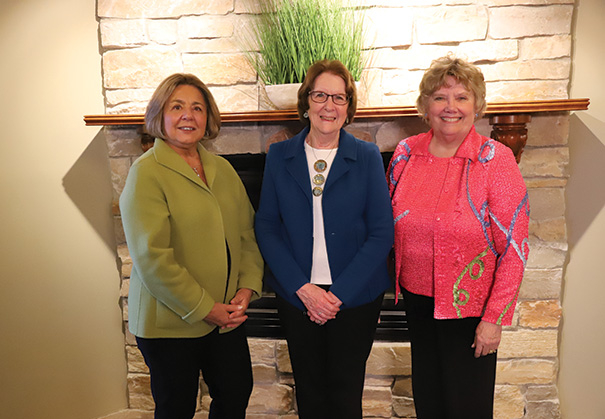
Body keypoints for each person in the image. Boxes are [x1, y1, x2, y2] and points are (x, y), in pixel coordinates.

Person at [386, 56, 530, 418]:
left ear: (477, 106)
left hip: (471, 313)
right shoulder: (405, 155)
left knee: (466, 407)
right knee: (429, 403)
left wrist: (494, 318)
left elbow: (514, 248)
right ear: (425, 106)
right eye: (439, 97)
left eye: (461, 97)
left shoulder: (495, 159)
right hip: (418, 305)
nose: (450, 107)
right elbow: (386, 229)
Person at [255, 59, 394, 419]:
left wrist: (336, 296)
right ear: (306, 102)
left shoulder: (365, 157)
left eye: (339, 97)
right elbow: (267, 227)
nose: (329, 106)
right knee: (310, 393)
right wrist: (304, 288)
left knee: (346, 395)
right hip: (297, 294)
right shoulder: (279, 157)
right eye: (320, 95)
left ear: (349, 109)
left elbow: (381, 233)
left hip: (355, 297)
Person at [119, 73, 264, 419]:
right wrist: (205, 307)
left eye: (197, 108)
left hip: (225, 317)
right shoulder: (146, 173)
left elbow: (247, 234)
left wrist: (247, 288)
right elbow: (153, 259)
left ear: (208, 118)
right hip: (169, 321)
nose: (189, 115)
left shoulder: (223, 169)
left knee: (235, 393)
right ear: (160, 115)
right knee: (176, 409)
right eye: (178, 107)